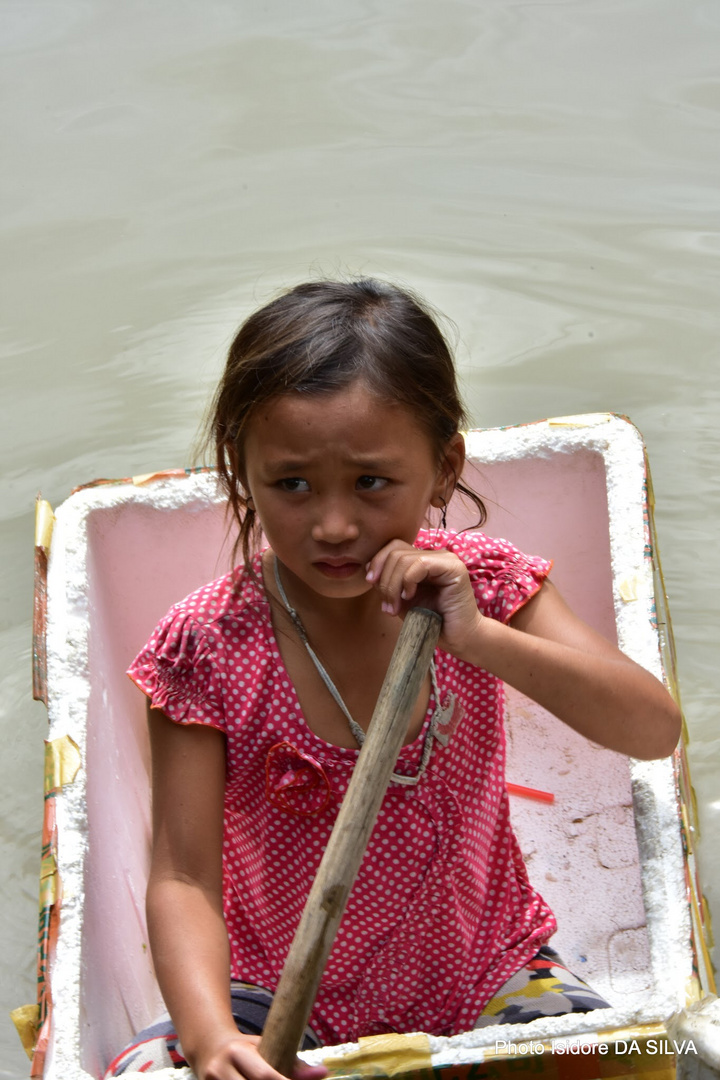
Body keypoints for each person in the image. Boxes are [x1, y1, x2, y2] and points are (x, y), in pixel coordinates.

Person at [106, 279, 681, 1080]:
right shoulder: (205, 647)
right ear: (243, 474)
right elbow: (181, 875)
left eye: (372, 482)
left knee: (643, 1059)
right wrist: (209, 1040)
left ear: (443, 468)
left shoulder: (480, 583)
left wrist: (478, 637)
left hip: (487, 968)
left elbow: (650, 729)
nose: (334, 525)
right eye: (292, 484)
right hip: (271, 993)